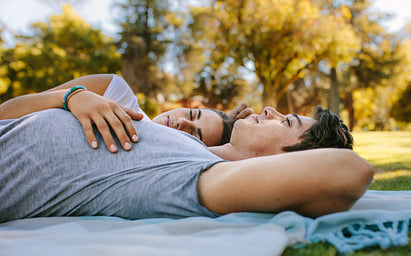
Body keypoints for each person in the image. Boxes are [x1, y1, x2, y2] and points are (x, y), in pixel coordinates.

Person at [0, 74, 373, 222]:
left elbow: (350, 171)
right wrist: (72, 97)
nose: (270, 110)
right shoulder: (170, 135)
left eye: (287, 122)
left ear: (286, 162)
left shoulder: (201, 177)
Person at [0, 74, 254, 148]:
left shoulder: (173, 162)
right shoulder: (115, 90)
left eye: (195, 135)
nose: (181, 125)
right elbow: (5, 112)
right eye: (190, 115)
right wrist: (72, 97)